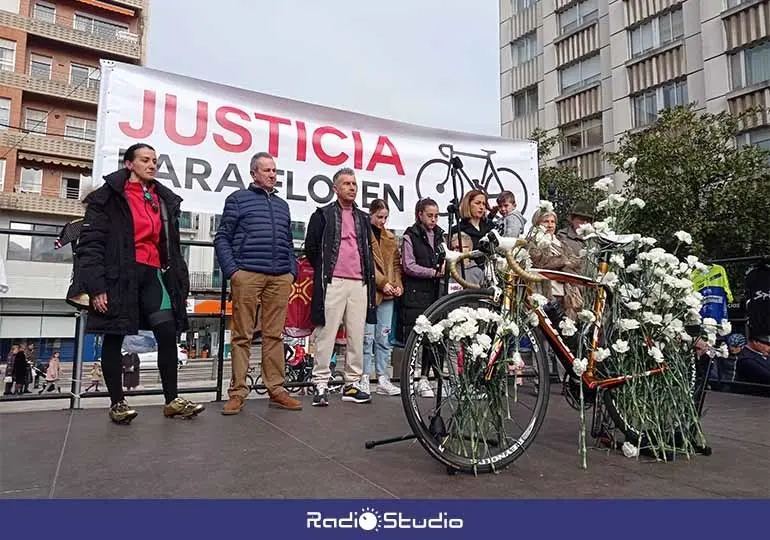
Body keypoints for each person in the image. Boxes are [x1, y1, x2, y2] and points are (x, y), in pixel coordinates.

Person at [77, 142, 204, 424]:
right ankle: (117, 403)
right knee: (114, 335)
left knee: (167, 332)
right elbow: (91, 244)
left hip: (153, 274)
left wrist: (178, 284)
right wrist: (96, 286)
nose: (152, 165)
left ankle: (172, 401)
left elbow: (170, 246)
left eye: (155, 161)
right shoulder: (107, 198)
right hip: (119, 275)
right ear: (129, 164)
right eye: (145, 160)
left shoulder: (161, 199)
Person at [214, 151, 299, 414]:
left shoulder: (283, 205)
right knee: (242, 336)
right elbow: (222, 237)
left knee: (275, 335)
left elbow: (287, 242)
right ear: (253, 173)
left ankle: (276, 389)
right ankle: (238, 393)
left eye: (274, 170)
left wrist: (291, 270)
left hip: (279, 276)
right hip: (247, 274)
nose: (273, 175)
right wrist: (234, 272)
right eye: (267, 170)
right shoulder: (238, 200)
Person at [304, 167, 377, 407]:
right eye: (346, 183)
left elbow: (369, 250)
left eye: (354, 184)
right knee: (327, 334)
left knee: (357, 335)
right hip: (333, 281)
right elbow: (311, 248)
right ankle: (320, 383)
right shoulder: (323, 215)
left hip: (359, 283)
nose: (352, 188)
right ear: (335, 188)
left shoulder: (364, 218)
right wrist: (328, 272)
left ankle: (352, 384)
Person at [399, 198, 445, 398]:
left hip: (436, 292)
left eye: (436, 216)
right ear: (419, 214)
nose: (433, 220)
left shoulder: (441, 235)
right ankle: (410, 379)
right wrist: (432, 273)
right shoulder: (410, 236)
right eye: (429, 215)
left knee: (434, 338)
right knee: (415, 338)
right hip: (416, 293)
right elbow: (408, 265)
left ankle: (426, 377)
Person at [362, 199, 403, 397]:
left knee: (383, 337)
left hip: (387, 295)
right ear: (371, 214)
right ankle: (363, 377)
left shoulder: (390, 237)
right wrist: (382, 283)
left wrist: (397, 285)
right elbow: (365, 263)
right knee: (366, 338)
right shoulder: (363, 235)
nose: (382, 221)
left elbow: (396, 264)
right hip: (369, 292)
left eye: (385, 217)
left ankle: (382, 378)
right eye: (379, 217)